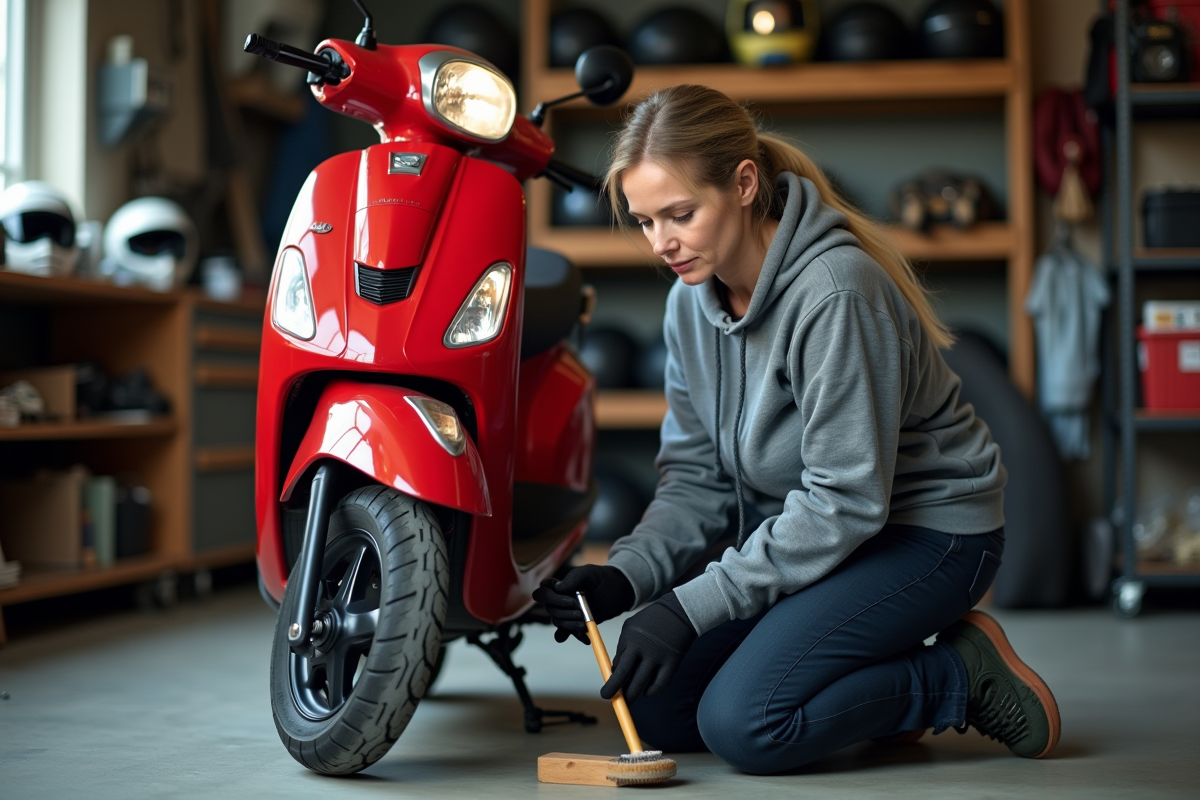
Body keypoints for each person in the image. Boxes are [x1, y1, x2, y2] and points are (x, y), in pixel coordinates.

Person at [533, 84, 1060, 774]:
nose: (662, 242)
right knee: (657, 707)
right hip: (823, 535)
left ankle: (954, 677)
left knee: (746, 723)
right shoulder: (689, 304)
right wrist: (628, 579)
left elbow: (845, 502)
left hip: (928, 536)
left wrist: (687, 609)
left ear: (744, 184)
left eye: (680, 214)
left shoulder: (837, 292)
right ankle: (863, 674)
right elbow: (697, 479)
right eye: (644, 221)